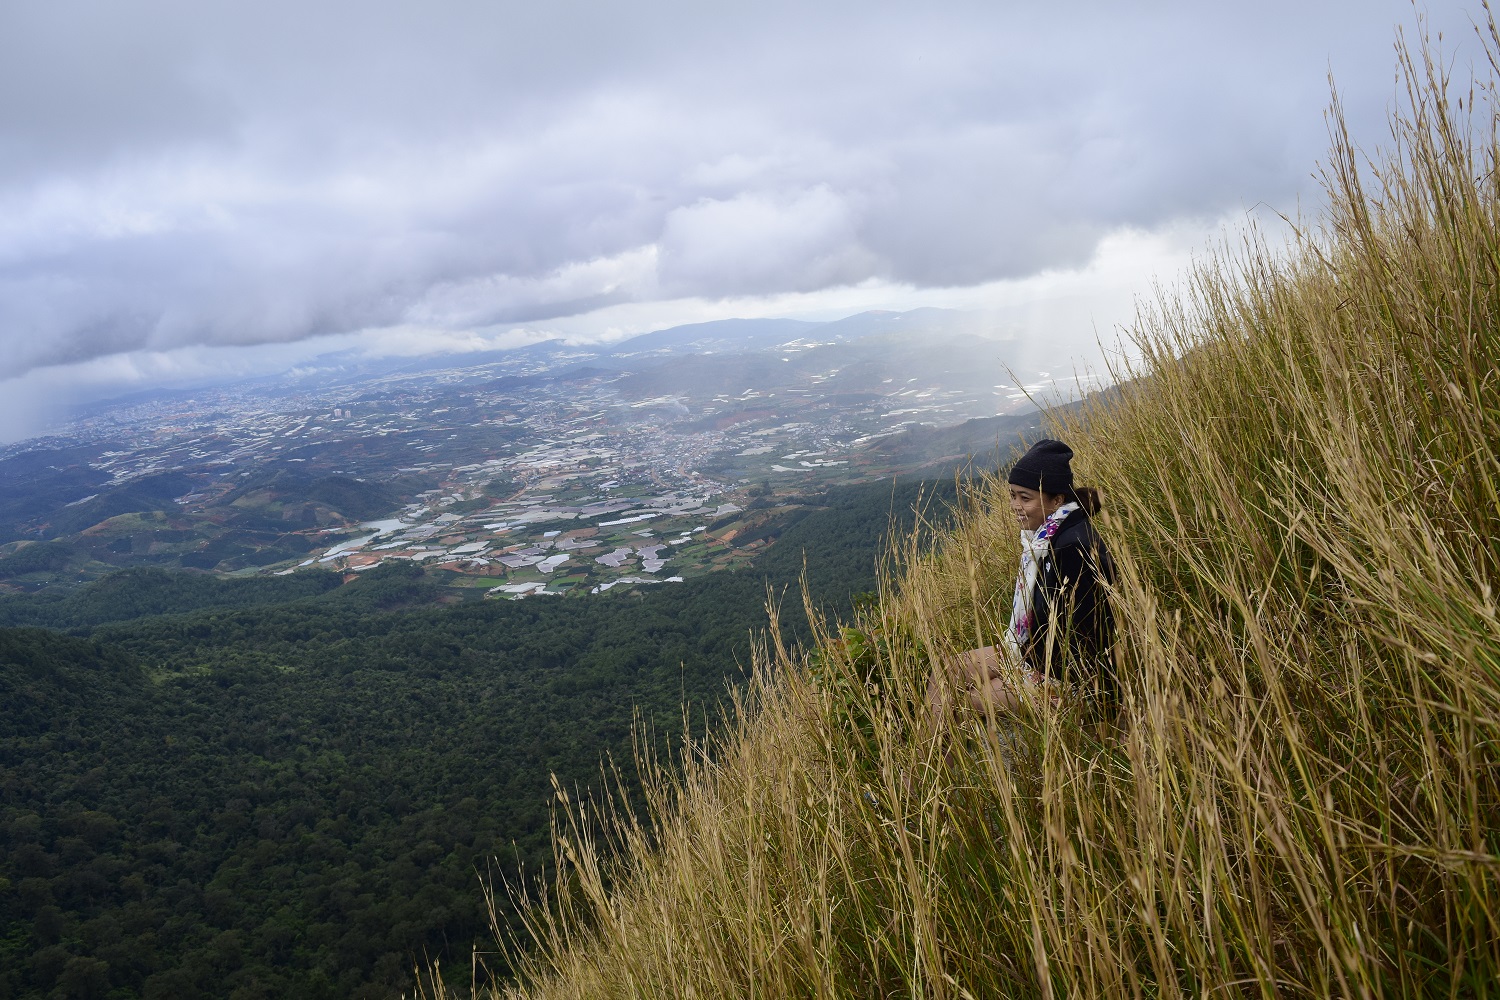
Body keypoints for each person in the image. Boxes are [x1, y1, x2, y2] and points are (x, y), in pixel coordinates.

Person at [934, 438, 1116, 718]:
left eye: (1025, 497)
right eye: (1013, 495)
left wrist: (1014, 671)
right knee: (947, 671)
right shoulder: (1045, 541)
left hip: (1070, 681)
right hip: (1034, 655)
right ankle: (924, 760)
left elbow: (1083, 637)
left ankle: (932, 758)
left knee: (962, 702)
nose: (1015, 505)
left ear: (1057, 499)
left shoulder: (1071, 549)